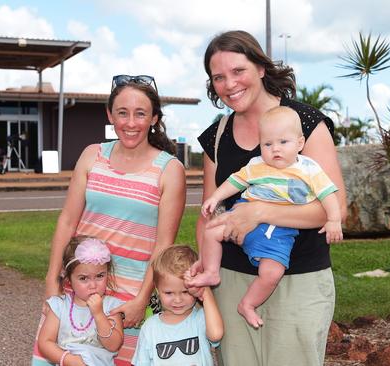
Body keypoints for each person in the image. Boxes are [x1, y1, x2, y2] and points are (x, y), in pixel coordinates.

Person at [192, 30, 347, 366]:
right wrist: (206, 262)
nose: (229, 84)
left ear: (261, 68)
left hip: (296, 280)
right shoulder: (215, 136)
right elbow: (209, 211)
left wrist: (261, 212)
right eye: (218, 77)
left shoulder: (305, 122)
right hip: (231, 281)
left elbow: (334, 208)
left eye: (238, 71)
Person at [32, 74, 186, 366]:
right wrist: (53, 278)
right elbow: (67, 221)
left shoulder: (170, 170)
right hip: (77, 286)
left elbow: (163, 246)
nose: (130, 123)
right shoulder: (92, 156)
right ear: (109, 115)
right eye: (122, 113)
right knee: (62, 356)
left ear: (154, 118)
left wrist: (142, 299)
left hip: (128, 295)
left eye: (140, 113)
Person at [188, 105, 343, 328]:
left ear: (300, 143)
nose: (275, 149)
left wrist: (333, 220)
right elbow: (235, 181)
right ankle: (212, 272)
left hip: (278, 229)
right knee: (211, 231)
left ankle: (248, 304)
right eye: (267, 144)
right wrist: (215, 197)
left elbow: (329, 195)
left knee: (272, 272)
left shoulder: (308, 169)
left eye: (283, 142)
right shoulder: (257, 165)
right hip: (242, 213)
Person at [38, 236, 124, 366]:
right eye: (84, 278)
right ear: (69, 279)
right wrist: (69, 360)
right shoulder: (60, 306)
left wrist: (99, 315)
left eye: (100, 276)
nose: (93, 285)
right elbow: (45, 342)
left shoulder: (111, 307)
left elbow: (114, 345)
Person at [132, 245, 223, 366]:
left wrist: (205, 291)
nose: (178, 300)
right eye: (169, 293)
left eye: (185, 292)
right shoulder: (150, 327)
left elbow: (216, 335)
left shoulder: (201, 318)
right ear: (157, 290)